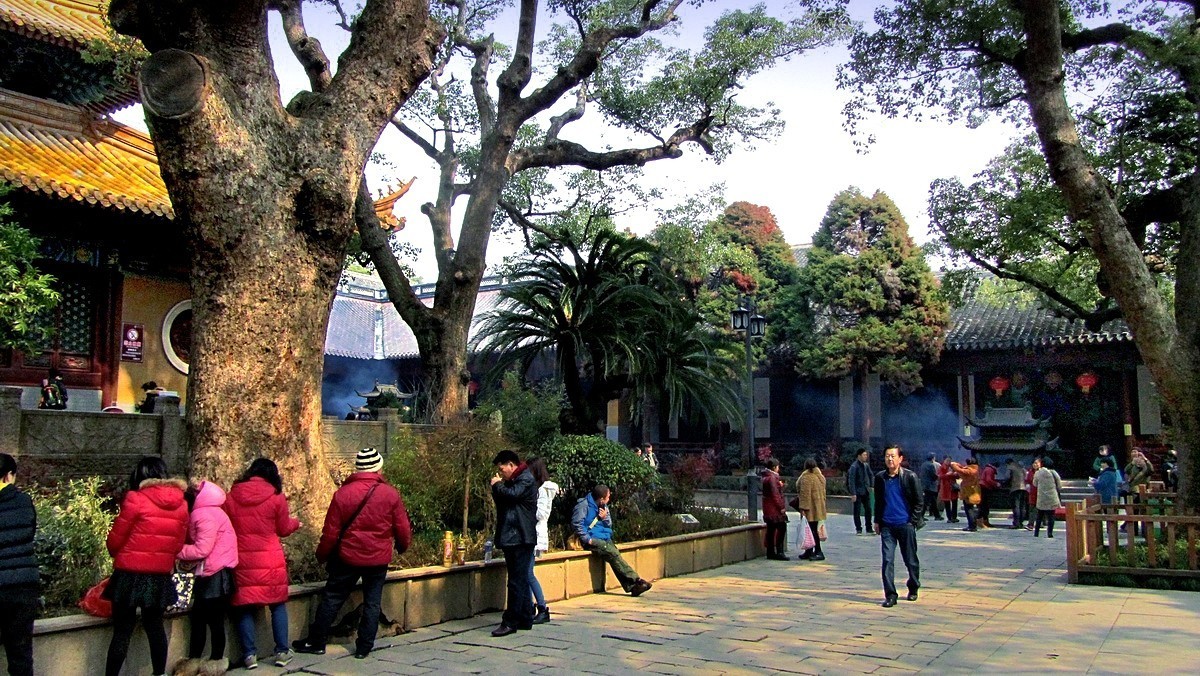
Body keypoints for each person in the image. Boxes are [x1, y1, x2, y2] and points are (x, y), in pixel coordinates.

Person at [293, 448, 411, 659]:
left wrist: (321, 556)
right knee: (373, 602)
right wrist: (402, 546)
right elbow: (402, 527)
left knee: (332, 598)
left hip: (348, 557)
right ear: (378, 467)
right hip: (377, 559)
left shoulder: (342, 494)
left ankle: (317, 641)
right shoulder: (390, 494)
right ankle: (364, 647)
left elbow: (330, 533)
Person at [104, 457, 189, 676]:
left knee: (122, 630)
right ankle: (159, 673)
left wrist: (118, 555)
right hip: (159, 575)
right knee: (155, 627)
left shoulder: (136, 499)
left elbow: (116, 538)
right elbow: (178, 543)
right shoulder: (181, 503)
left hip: (129, 574)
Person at [224, 459, 302, 670]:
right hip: (270, 560)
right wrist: (296, 523)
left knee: (244, 607)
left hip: (242, 559)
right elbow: (284, 528)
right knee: (277, 604)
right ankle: (282, 651)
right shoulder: (276, 497)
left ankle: (249, 655)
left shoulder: (231, 497)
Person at [174, 480, 239, 676]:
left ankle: (206, 660)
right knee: (208, 619)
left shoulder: (203, 515)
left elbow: (202, 548)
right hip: (217, 573)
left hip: (214, 575)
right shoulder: (213, 511)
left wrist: (177, 550)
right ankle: (211, 660)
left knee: (206, 619)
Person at [488, 449, 539, 637]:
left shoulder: (525, 479)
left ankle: (510, 622)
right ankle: (525, 616)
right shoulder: (513, 481)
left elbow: (513, 495)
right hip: (514, 536)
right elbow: (503, 502)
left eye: (503, 469)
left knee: (516, 581)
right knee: (521, 578)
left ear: (511, 465)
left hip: (519, 537)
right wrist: (499, 487)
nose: (501, 473)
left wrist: (497, 485)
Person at [572, 485, 652, 598]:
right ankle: (636, 580)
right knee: (613, 554)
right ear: (601, 498)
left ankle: (632, 586)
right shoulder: (583, 505)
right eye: (608, 497)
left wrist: (604, 517)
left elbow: (609, 524)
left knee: (615, 555)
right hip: (591, 539)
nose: (609, 499)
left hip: (604, 536)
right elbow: (577, 524)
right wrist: (587, 539)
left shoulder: (603, 506)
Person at [0, 454, 38, 676]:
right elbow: (29, 533)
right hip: (24, 587)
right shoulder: (24, 502)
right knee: (21, 653)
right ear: (9, 475)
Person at [873, 446, 923, 608]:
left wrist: (912, 522)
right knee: (887, 560)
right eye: (887, 456)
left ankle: (913, 586)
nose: (890, 459)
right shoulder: (880, 478)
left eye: (893, 456)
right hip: (887, 525)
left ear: (900, 458)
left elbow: (918, 502)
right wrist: (877, 521)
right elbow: (879, 501)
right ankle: (890, 595)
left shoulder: (910, 476)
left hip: (905, 524)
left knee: (910, 560)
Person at [528, 457, 559, 624]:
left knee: (528, 573)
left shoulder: (543, 490)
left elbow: (541, 514)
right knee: (527, 573)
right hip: (532, 533)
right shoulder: (538, 489)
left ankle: (542, 607)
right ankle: (530, 606)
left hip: (535, 534)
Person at [796, 458, 827, 561]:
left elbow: (804, 494)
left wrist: (803, 509)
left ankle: (817, 551)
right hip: (818, 507)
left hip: (809, 508)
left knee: (810, 530)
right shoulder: (820, 476)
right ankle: (810, 551)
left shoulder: (805, 478)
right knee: (814, 529)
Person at [761, 458, 788, 560]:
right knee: (782, 527)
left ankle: (770, 552)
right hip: (774, 509)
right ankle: (780, 552)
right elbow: (775, 494)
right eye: (778, 466)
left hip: (767, 507)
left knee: (771, 530)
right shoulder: (772, 478)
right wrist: (781, 507)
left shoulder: (766, 477)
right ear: (774, 467)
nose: (779, 468)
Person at [1033, 456, 1063, 538]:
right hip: (1052, 497)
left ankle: (1036, 532)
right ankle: (1050, 533)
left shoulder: (1038, 473)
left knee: (1039, 516)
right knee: (1051, 516)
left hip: (1041, 497)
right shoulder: (1053, 472)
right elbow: (1059, 485)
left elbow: (1034, 484)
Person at [950, 458, 981, 532]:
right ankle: (972, 525)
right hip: (972, 490)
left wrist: (954, 465)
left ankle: (972, 526)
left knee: (969, 509)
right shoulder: (975, 469)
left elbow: (960, 470)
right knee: (970, 509)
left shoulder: (970, 470)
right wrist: (958, 465)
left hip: (968, 491)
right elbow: (963, 469)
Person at [847, 448, 874, 535]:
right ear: (859, 456)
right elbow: (851, 480)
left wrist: (871, 485)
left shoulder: (866, 465)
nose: (866, 456)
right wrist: (853, 493)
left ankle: (869, 528)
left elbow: (871, 475)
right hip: (857, 492)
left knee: (868, 510)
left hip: (865, 491)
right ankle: (858, 528)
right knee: (857, 511)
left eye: (866, 455)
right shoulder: (854, 467)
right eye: (864, 455)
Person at [919, 453, 942, 521]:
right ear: (933, 458)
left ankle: (937, 515)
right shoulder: (931, 465)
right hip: (930, 485)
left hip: (925, 485)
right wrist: (938, 477)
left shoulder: (923, 464)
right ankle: (921, 516)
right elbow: (933, 475)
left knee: (933, 501)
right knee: (926, 501)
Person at [1006, 458, 1028, 529]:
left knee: (1016, 506)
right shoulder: (1021, 467)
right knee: (1022, 506)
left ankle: (1016, 523)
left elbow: (1007, 476)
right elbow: (1026, 476)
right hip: (1024, 488)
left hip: (1015, 488)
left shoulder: (1010, 467)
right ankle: (1021, 522)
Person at [937, 457, 959, 523]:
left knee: (955, 502)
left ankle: (954, 517)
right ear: (944, 460)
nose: (948, 462)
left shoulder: (953, 467)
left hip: (953, 487)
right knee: (947, 504)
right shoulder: (941, 467)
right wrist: (947, 474)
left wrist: (955, 474)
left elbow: (958, 476)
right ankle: (949, 518)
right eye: (947, 460)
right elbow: (940, 476)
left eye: (949, 460)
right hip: (945, 487)